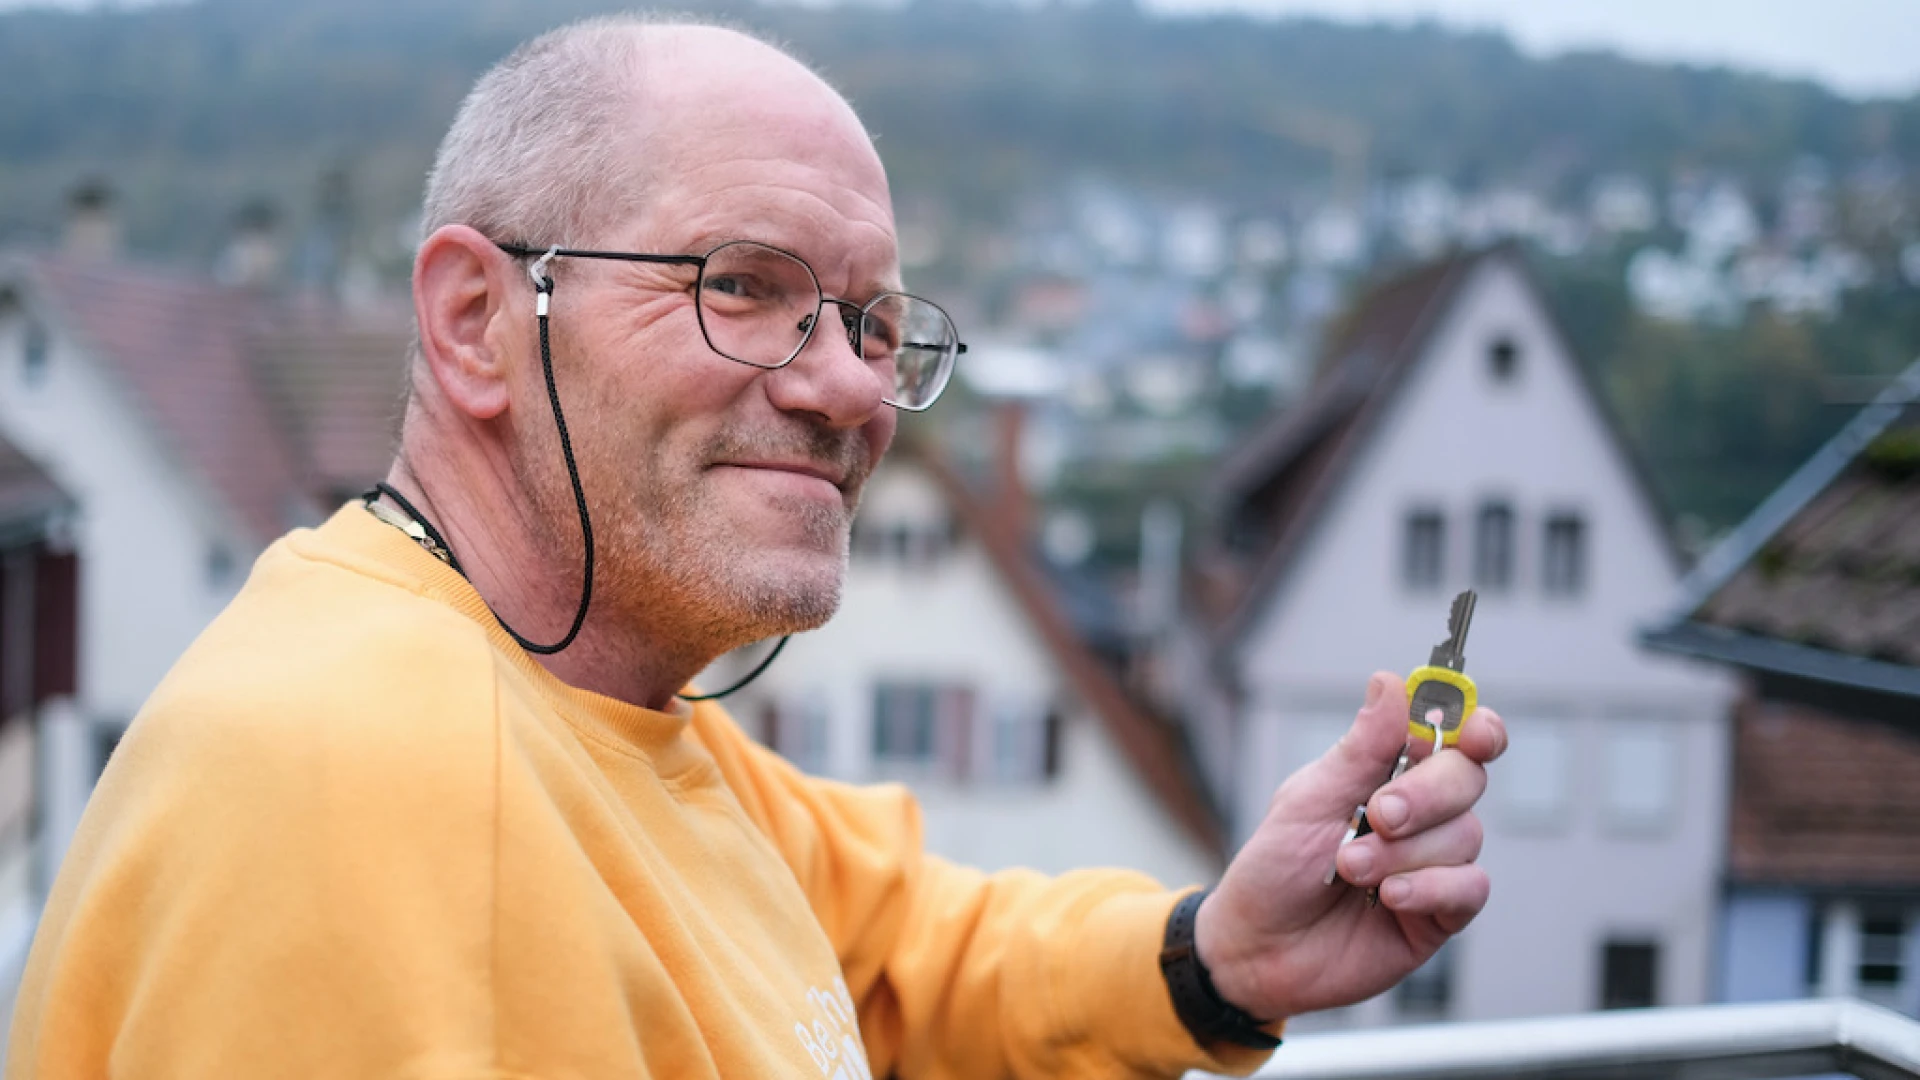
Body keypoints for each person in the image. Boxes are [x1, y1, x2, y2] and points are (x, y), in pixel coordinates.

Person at [5, 15, 1504, 1080]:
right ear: (475, 320)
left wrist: (1220, 958)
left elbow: (914, 954)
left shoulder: (600, 708)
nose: (850, 384)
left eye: (866, 320)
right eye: (743, 285)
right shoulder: (388, 781)